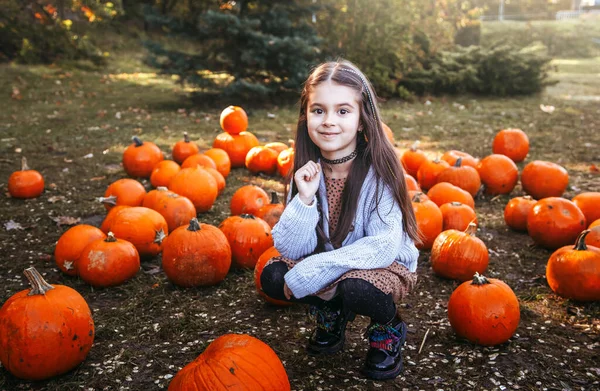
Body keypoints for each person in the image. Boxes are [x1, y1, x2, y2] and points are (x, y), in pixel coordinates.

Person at [260, 59, 420, 380]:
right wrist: (304, 199)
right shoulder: (308, 169)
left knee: (356, 288)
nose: (329, 121)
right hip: (331, 261)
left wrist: (316, 271)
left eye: (343, 111)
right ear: (306, 115)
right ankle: (332, 313)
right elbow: (291, 248)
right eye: (318, 110)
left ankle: (387, 330)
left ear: (362, 120)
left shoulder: (379, 174)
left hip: (381, 264)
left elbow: (382, 246)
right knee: (274, 277)